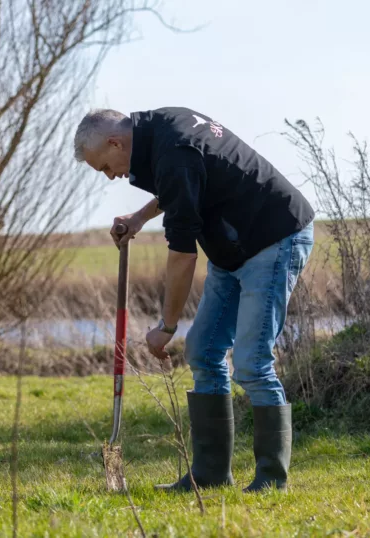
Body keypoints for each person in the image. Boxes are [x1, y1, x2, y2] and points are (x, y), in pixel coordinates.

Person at [73, 107, 315, 493]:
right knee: (203, 351)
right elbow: (182, 186)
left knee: (251, 362)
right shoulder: (157, 130)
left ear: (115, 143)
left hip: (273, 238)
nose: (111, 175)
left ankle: (272, 480)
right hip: (232, 247)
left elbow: (183, 256)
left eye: (105, 166)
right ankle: (211, 474)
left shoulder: (173, 151)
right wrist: (139, 217)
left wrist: (166, 327)